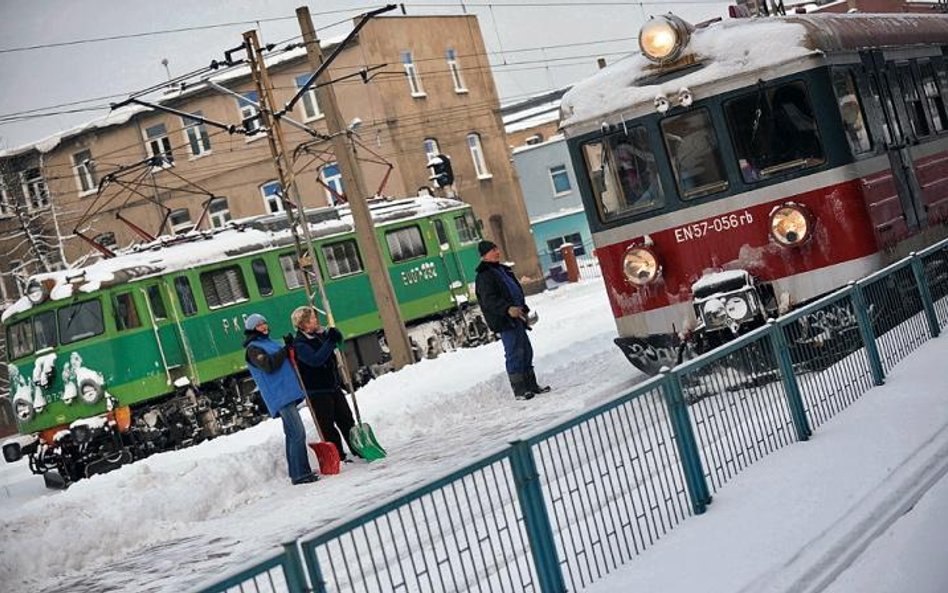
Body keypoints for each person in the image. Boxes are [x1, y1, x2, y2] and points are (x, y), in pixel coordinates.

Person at [243, 313, 319, 485]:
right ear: (252, 329)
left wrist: (288, 347)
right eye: (259, 325)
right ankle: (301, 474)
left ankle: (298, 473)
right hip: (279, 395)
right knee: (298, 433)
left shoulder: (269, 343)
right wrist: (284, 351)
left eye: (264, 323)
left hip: (287, 392)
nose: (263, 327)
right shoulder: (253, 349)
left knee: (292, 434)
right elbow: (268, 365)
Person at [474, 240, 550, 400]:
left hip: (517, 317)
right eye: (493, 250)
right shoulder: (484, 276)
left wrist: (523, 308)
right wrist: (507, 309)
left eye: (496, 248)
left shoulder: (503, 270)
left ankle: (531, 385)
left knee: (526, 351)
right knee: (514, 352)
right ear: (485, 255)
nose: (497, 252)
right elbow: (489, 300)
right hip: (505, 321)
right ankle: (520, 390)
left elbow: (514, 291)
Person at [289, 306, 359, 462]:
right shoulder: (299, 344)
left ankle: (358, 448)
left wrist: (336, 337)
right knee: (328, 426)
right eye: (312, 319)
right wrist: (329, 341)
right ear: (304, 324)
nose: (316, 321)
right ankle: (338, 456)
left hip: (333, 386)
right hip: (317, 392)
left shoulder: (319, 336)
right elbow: (315, 360)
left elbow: (337, 345)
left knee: (346, 419)